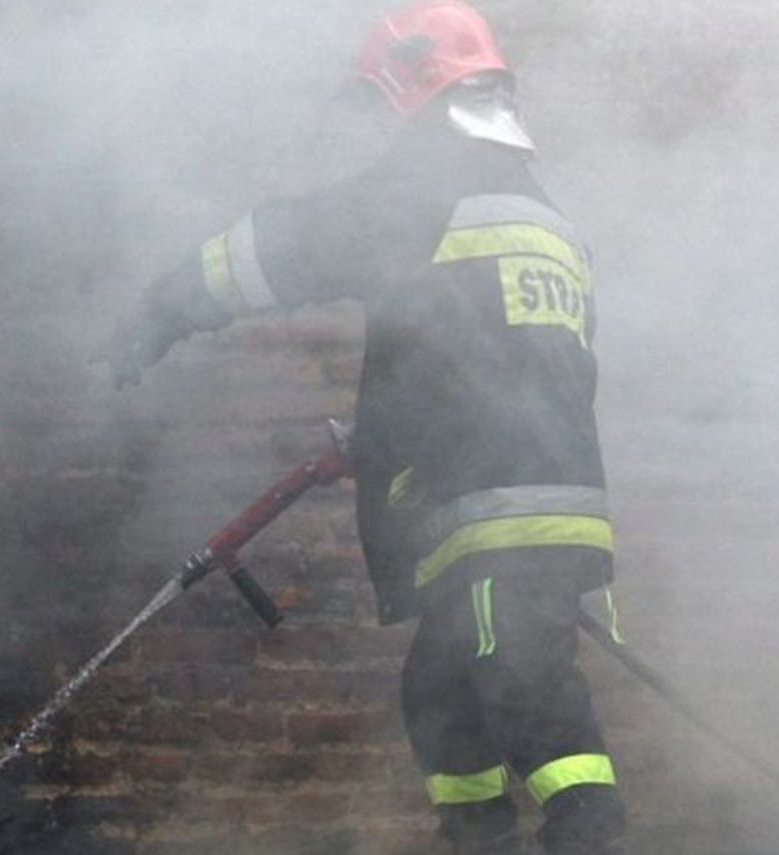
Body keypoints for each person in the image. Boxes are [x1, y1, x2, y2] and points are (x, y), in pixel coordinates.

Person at [95, 2, 626, 852]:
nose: (384, 126)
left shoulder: (433, 189)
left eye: (386, 103)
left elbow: (278, 248)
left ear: (417, 87)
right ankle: (478, 837)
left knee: (527, 692)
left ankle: (594, 835)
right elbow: (493, 359)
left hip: (494, 508)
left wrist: (157, 315)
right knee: (441, 694)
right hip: (527, 499)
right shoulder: (543, 212)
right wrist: (388, 430)